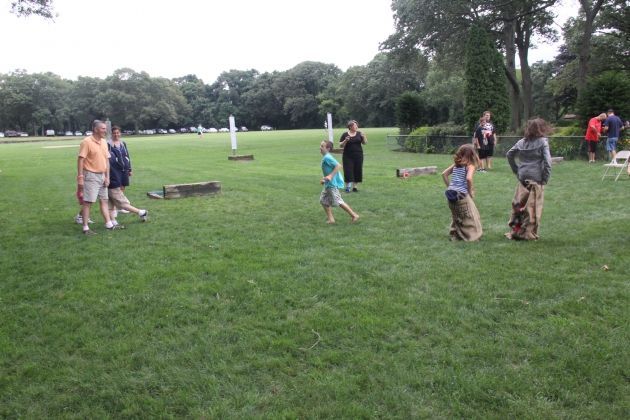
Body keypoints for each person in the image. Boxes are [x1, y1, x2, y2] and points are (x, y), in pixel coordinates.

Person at [505, 118, 553, 240]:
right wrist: (545, 178)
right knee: (533, 207)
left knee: (519, 205)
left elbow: (509, 154)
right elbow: (548, 162)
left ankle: (517, 230)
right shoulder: (543, 142)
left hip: (522, 177)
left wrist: (516, 170)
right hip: (536, 178)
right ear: (541, 128)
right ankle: (527, 233)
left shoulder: (521, 142)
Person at [77, 120, 122, 235]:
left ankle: (109, 224)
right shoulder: (86, 142)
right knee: (88, 202)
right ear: (95, 129)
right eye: (103, 128)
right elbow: (81, 159)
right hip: (90, 175)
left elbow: (106, 160)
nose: (105, 131)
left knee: (104, 200)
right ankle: (85, 228)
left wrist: (107, 177)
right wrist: (80, 177)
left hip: (102, 176)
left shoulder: (103, 142)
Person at [107, 126, 148, 224]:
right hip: (114, 171)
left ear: (120, 133)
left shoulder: (123, 143)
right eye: (114, 133)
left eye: (118, 133)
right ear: (111, 134)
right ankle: (119, 208)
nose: (116, 135)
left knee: (121, 188)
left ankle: (119, 208)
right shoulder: (108, 144)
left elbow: (126, 156)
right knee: (114, 192)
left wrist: (129, 168)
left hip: (124, 170)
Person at [442, 144, 483, 241]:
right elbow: (468, 179)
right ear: (472, 155)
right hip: (461, 195)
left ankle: (456, 234)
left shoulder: (456, 165)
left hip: (450, 194)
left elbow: (444, 174)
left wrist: (450, 187)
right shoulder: (470, 166)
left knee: (457, 216)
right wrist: (470, 191)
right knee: (471, 216)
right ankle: (473, 237)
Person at [319, 140, 359, 224]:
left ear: (328, 149)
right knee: (323, 201)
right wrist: (325, 179)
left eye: (322, 146)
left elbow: (338, 166)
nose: (320, 147)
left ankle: (354, 215)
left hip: (332, 185)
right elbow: (329, 171)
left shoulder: (327, 157)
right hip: (328, 184)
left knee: (339, 201)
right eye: (320, 146)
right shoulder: (326, 157)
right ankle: (331, 219)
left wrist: (330, 176)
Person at [339, 120, 367, 192]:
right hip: (347, 155)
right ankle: (348, 186)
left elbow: (364, 143)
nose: (357, 127)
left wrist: (364, 137)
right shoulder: (345, 134)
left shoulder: (359, 134)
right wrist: (345, 140)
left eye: (357, 125)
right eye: (355, 125)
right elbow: (340, 145)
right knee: (348, 170)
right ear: (350, 127)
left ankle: (355, 187)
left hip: (358, 155)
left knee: (357, 170)